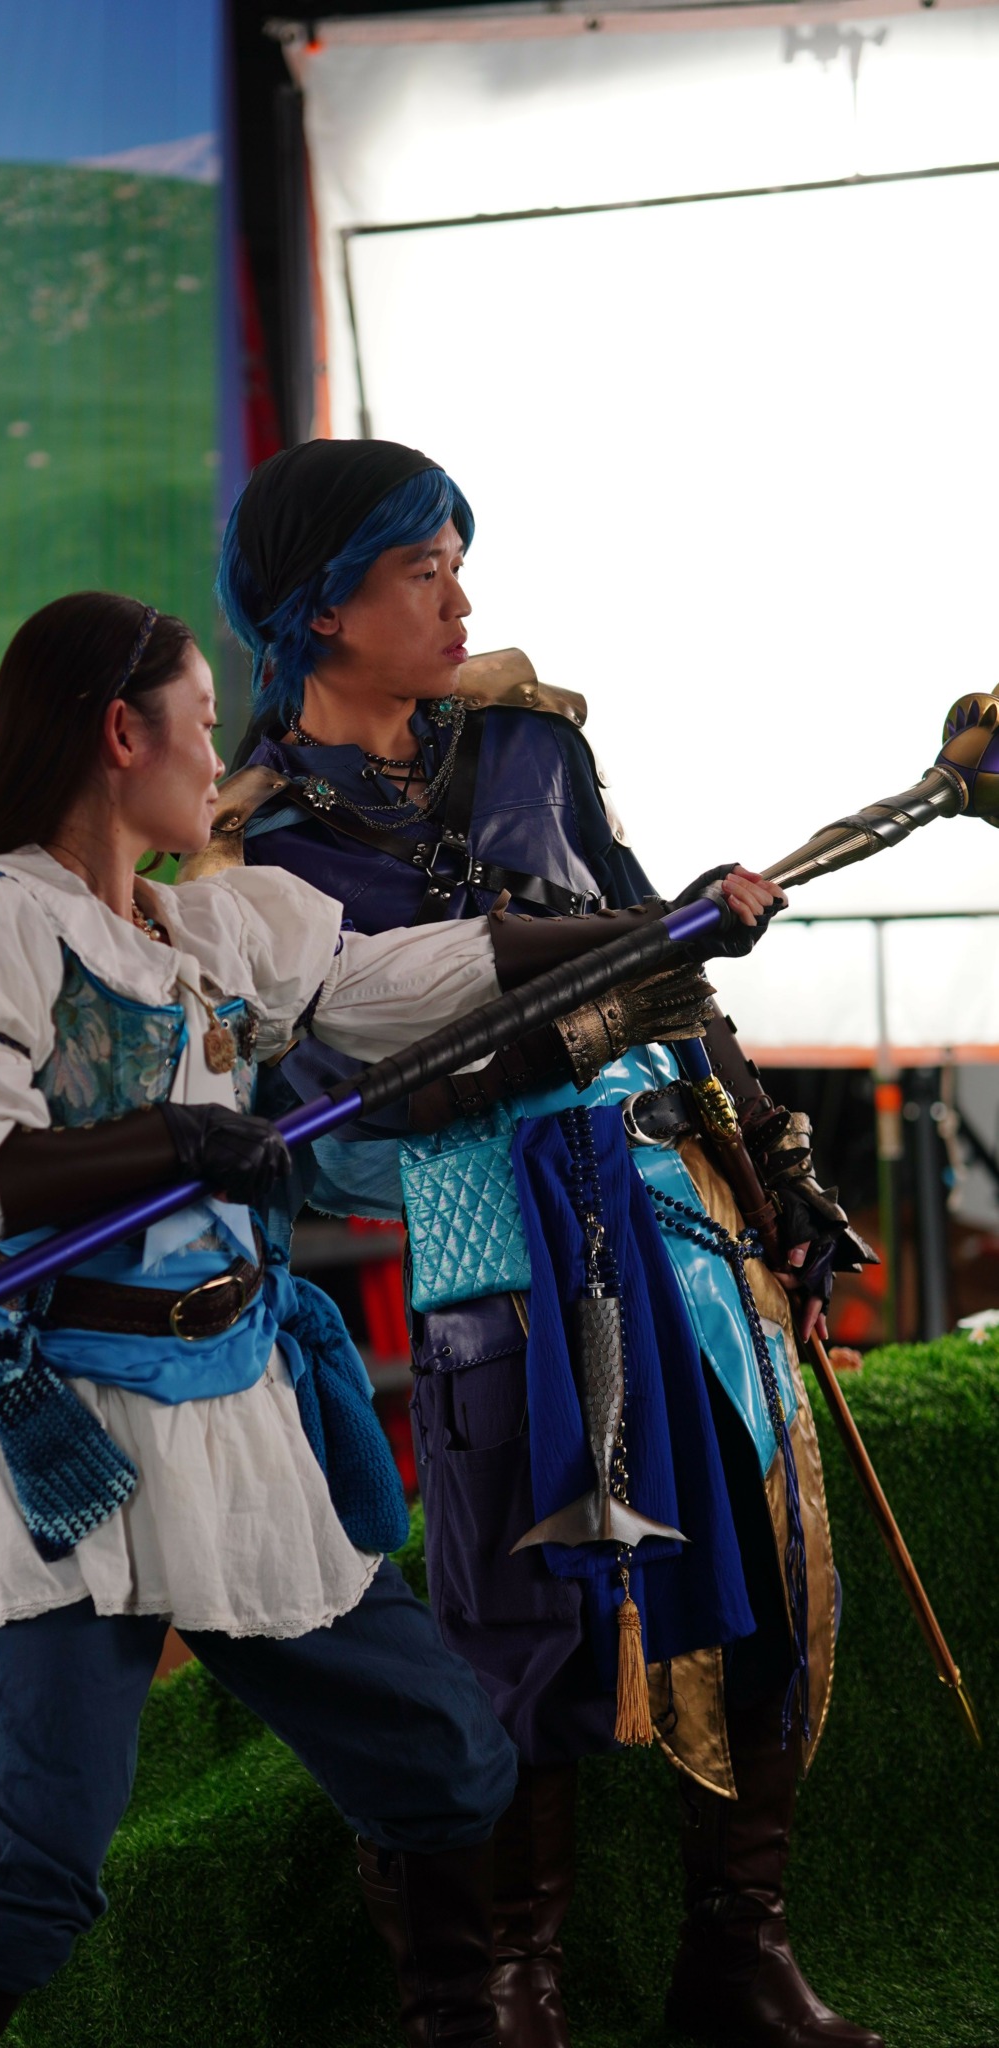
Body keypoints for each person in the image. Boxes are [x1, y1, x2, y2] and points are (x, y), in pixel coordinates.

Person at [205, 439, 881, 2048]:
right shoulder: (252, 855)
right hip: (491, 1244)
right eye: (419, 572)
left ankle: (739, 1962)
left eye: (457, 563)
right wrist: (555, 1033)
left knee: (760, 1572)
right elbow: (324, 1105)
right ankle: (508, 1992)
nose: (459, 601)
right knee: (529, 1624)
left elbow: (664, 956)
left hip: (679, 1216)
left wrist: (772, 1162)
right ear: (319, 608)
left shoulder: (528, 742)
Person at [0, 591, 555, 2047]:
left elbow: (388, 979)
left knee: (441, 1756)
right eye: (203, 723)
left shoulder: (209, 929)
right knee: (42, 1853)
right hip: (75, 1442)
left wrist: (643, 936)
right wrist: (169, 1138)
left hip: (241, 1412)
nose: (219, 759)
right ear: (124, 732)